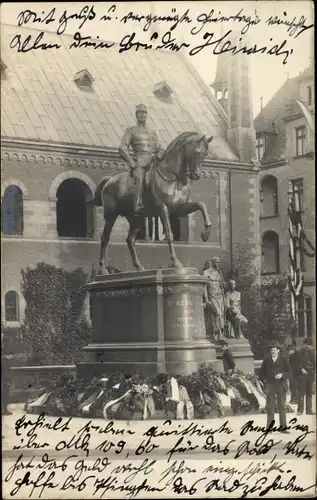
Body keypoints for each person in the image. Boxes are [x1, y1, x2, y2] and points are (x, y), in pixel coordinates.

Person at [119, 104, 164, 214]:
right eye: (140, 113)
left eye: (144, 113)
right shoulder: (131, 131)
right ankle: (137, 204)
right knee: (140, 177)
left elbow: (159, 148)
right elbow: (122, 148)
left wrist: (160, 155)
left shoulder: (153, 133)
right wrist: (132, 163)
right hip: (140, 162)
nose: (142, 115)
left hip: (153, 161)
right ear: (136, 115)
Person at [259, 341, 291, 432]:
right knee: (270, 407)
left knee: (282, 406)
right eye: (271, 350)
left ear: (278, 350)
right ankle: (269, 427)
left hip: (281, 385)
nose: (272, 352)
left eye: (274, 350)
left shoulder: (284, 360)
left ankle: (283, 427)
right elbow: (261, 374)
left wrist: (282, 375)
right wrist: (266, 383)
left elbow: (290, 373)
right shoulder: (266, 360)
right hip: (270, 386)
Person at [202, 257, 225, 339]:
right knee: (218, 313)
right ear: (213, 262)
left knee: (220, 314)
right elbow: (204, 287)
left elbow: (222, 285)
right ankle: (219, 332)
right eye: (217, 262)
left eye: (219, 262)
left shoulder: (219, 272)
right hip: (211, 295)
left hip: (220, 296)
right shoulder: (206, 272)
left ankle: (217, 332)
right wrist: (206, 299)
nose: (218, 264)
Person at [296, 338, 315, 415]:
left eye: (309, 345)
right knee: (301, 392)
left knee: (309, 392)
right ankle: (300, 410)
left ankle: (309, 410)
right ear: (303, 344)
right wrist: (301, 369)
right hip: (302, 375)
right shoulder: (298, 353)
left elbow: (314, 363)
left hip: (310, 374)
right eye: (306, 344)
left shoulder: (312, 352)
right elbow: (295, 363)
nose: (307, 346)